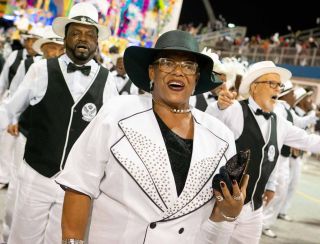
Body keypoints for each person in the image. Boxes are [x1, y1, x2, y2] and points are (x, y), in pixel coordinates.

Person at [56, 30, 249, 244]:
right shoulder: (117, 113)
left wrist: (229, 211)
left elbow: (214, 213)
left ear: (197, 77)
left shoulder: (220, 136)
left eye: (188, 65)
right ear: (151, 72)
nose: (178, 71)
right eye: (167, 63)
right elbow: (80, 186)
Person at [0, 3, 118, 243]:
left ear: (97, 42)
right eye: (76, 33)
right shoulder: (41, 69)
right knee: (23, 238)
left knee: (60, 239)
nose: (82, 39)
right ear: (65, 38)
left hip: (76, 185)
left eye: (89, 34)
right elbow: (9, 109)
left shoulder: (107, 81)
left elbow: (111, 132)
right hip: (36, 175)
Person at [205, 60, 320, 243]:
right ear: (254, 87)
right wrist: (219, 105)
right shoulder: (234, 109)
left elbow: (308, 141)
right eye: (271, 83)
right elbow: (207, 121)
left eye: (279, 85)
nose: (277, 89)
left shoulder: (280, 124)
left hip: (254, 209)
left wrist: (271, 184)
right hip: (223, 205)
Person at [0, 26, 65, 243]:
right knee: (18, 185)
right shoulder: (33, 67)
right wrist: (13, 120)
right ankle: (9, 231)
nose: (53, 52)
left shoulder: (65, 74)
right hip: (26, 133)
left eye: (57, 48)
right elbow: (15, 96)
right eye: (49, 48)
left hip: (50, 144)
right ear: (43, 49)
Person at [262, 82, 318, 238]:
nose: (294, 96)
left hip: (284, 157)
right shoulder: (279, 109)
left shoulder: (287, 110)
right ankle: (263, 222)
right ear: (285, 94)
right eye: (292, 93)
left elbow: (299, 127)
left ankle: (265, 222)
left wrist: (314, 116)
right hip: (277, 156)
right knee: (275, 190)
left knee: (281, 189)